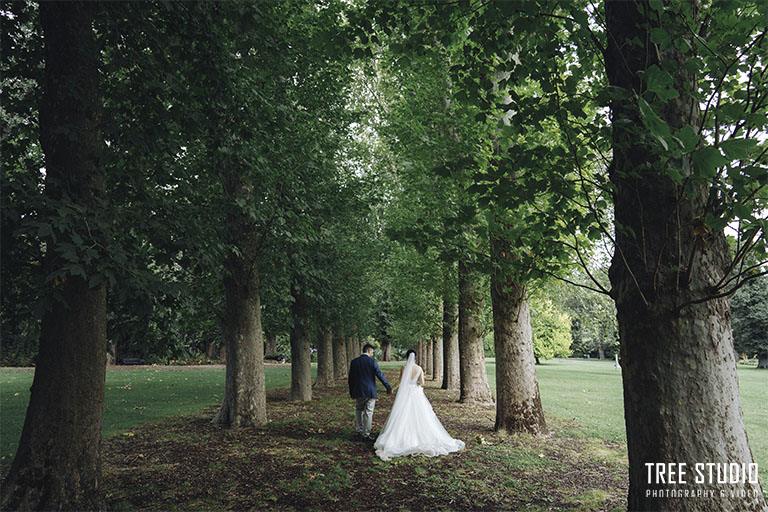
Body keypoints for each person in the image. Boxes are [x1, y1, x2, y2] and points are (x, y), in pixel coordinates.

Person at [374, 350, 465, 461]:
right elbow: (422, 383)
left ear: (407, 357)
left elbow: (400, 382)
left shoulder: (404, 368)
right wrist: (416, 383)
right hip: (416, 393)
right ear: (415, 358)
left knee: (403, 413)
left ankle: (401, 436)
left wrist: (392, 389)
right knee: (421, 414)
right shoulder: (419, 369)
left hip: (406, 393)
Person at [348, 343, 391, 441]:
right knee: (369, 412)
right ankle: (366, 434)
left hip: (358, 390)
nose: (372, 353)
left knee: (359, 410)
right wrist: (387, 387)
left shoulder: (354, 362)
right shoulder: (372, 362)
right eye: (372, 351)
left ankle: (359, 431)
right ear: (368, 351)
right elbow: (379, 375)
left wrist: (351, 391)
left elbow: (351, 378)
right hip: (370, 391)